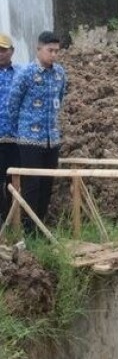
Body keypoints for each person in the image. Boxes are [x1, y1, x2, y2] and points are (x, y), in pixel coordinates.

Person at [7, 31, 67, 234]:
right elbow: (13, 104)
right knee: (31, 186)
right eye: (50, 50)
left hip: (52, 139)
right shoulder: (26, 73)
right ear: (39, 49)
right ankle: (28, 230)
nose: (54, 55)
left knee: (47, 184)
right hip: (30, 139)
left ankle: (40, 228)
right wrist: (21, 130)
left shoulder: (59, 74)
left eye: (57, 51)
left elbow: (60, 98)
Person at [0, 33, 17, 222]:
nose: (0, 53)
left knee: (14, 182)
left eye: (3, 50)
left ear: (12, 51)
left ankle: (13, 220)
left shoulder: (20, 74)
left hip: (15, 138)